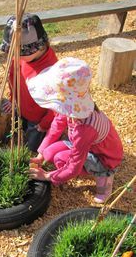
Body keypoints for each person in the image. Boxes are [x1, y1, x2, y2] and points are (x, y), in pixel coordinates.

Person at [28, 57, 123, 203]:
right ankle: (63, 173)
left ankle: (104, 179)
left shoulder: (84, 129)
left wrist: (47, 176)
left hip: (105, 157)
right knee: (49, 153)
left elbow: (74, 166)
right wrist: (40, 155)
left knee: (61, 159)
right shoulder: (72, 110)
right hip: (86, 145)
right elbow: (56, 127)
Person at [1, 13, 57, 152]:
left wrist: (44, 124)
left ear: (39, 47)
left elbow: (58, 104)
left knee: (31, 148)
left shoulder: (52, 71)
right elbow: (13, 78)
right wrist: (13, 99)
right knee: (15, 133)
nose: (13, 56)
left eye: (17, 53)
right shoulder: (20, 58)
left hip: (38, 119)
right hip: (21, 108)